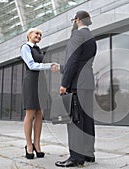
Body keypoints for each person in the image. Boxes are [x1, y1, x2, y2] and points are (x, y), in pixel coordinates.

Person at [55, 11, 97, 167]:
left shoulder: (77, 35)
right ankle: (88, 154)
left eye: (74, 20)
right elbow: (81, 63)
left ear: (78, 20)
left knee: (75, 120)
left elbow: (73, 61)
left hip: (76, 83)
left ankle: (76, 158)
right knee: (87, 119)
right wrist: (60, 68)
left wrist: (64, 83)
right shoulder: (91, 37)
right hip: (87, 83)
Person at [20, 28, 59, 159]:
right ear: (29, 35)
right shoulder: (25, 48)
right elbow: (31, 65)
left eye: (41, 34)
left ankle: (37, 144)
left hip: (41, 83)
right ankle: (28, 145)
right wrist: (49, 65)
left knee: (39, 113)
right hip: (31, 82)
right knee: (30, 113)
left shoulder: (38, 49)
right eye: (36, 33)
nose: (39, 35)